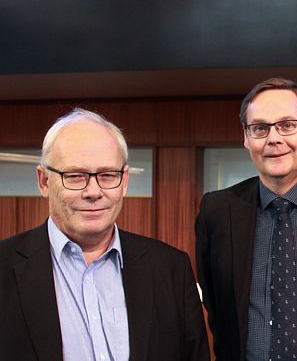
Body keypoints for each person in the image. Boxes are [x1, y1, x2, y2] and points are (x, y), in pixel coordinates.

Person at [0, 108, 209, 361]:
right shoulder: (5, 266)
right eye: (75, 176)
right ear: (44, 181)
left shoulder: (171, 268)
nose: (93, 191)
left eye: (107, 175)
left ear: (125, 181)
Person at [195, 78, 297, 361]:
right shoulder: (217, 211)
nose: (274, 139)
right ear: (246, 138)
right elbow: (215, 304)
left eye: (287, 125)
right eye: (260, 128)